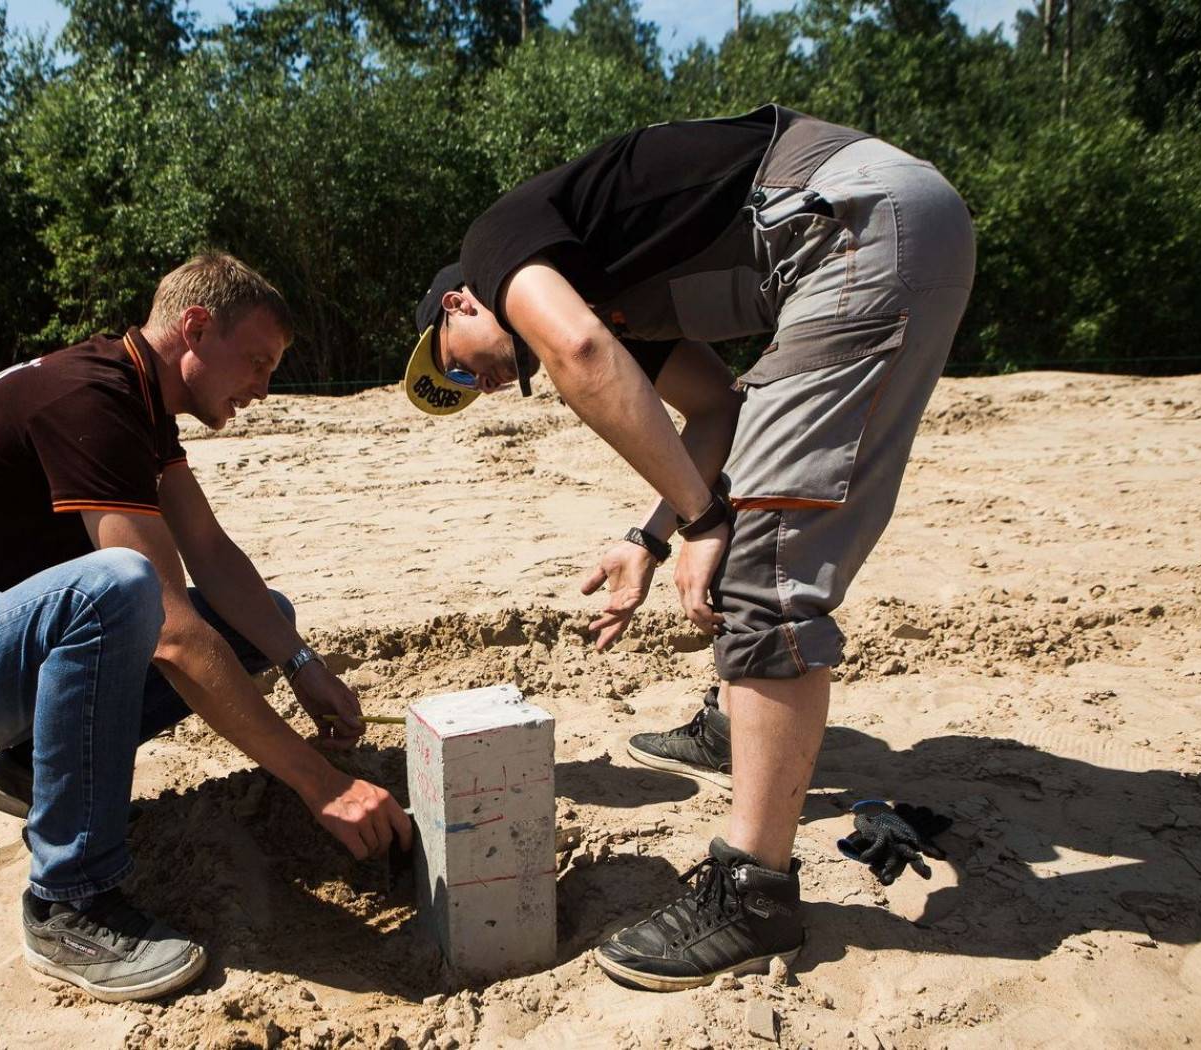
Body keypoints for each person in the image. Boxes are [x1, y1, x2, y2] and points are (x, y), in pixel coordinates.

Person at [401, 104, 974, 990]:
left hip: (851, 228)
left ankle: (752, 894)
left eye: (461, 364)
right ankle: (732, 729)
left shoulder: (494, 247)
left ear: (459, 301)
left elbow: (579, 351)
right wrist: (653, 538)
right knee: (754, 532)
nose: (480, 381)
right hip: (875, 226)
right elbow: (718, 410)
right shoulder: (616, 287)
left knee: (767, 574)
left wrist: (704, 524)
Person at [0, 252, 411, 1003]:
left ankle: (31, 767)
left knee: (258, 617)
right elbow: (168, 630)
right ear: (195, 327)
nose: (264, 389)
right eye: (257, 362)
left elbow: (213, 554)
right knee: (121, 588)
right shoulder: (88, 397)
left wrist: (301, 663)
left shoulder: (135, 399)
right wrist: (317, 784)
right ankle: (66, 902)